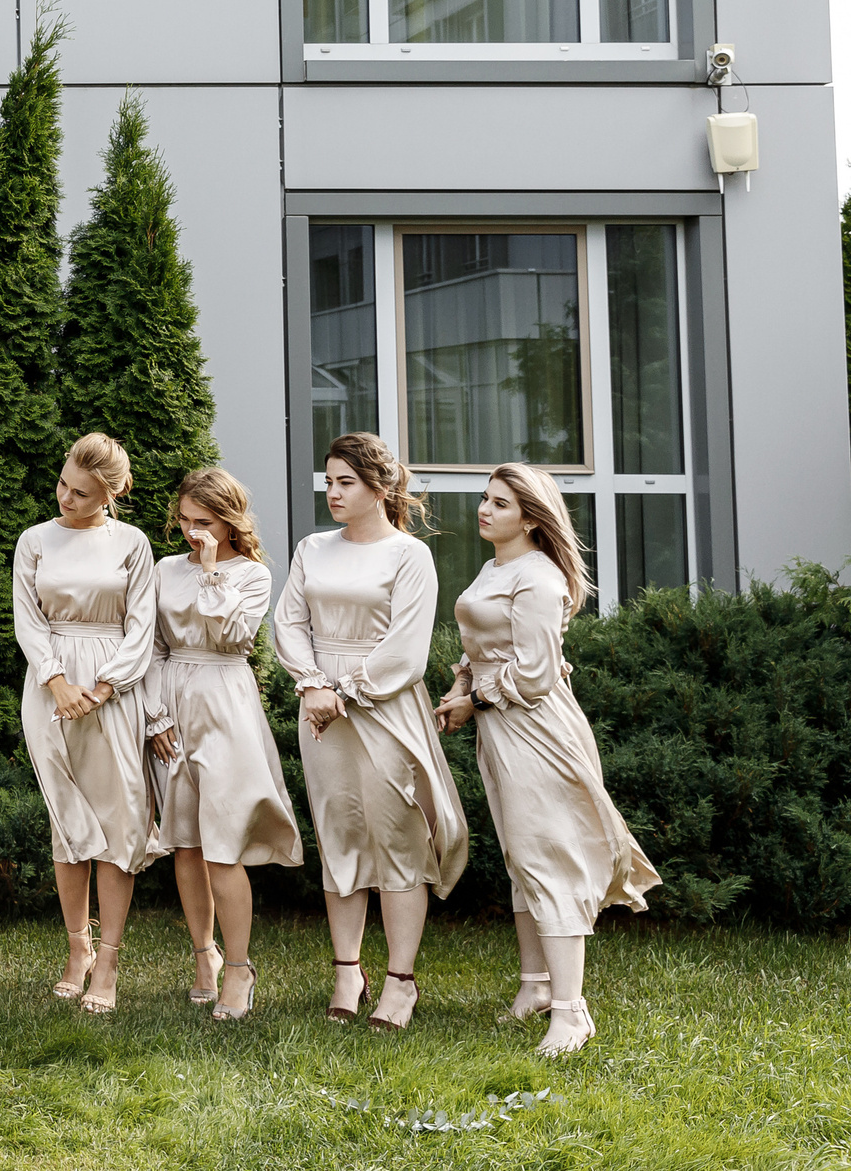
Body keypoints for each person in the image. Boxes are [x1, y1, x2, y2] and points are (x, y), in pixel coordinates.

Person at [434, 463, 660, 1058]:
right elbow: (480, 650)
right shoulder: (495, 566)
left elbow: (534, 676)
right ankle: (535, 986)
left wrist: (473, 699)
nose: (484, 509)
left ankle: (571, 1012)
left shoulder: (538, 578)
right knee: (521, 854)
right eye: (485, 499)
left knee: (548, 855)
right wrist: (462, 688)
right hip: (499, 727)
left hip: (536, 731)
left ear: (532, 518)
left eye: (500, 503)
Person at [272, 431, 466, 1031]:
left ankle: (400, 982)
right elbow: (289, 621)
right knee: (339, 836)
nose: (332, 493)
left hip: (384, 712)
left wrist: (345, 691)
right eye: (328, 482)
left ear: (380, 488)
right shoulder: (312, 548)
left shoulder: (409, 556)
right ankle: (346, 971)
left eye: (345, 482)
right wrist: (311, 684)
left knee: (396, 837)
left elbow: (406, 652)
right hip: (320, 713)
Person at [142, 467, 301, 1021]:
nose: (192, 533)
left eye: (204, 522)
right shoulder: (163, 570)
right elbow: (152, 646)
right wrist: (154, 715)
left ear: (230, 522)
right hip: (172, 698)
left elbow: (233, 637)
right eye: (184, 521)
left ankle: (239, 968)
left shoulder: (252, 575)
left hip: (225, 699)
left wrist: (211, 573)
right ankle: (203, 955)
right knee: (184, 840)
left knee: (223, 843)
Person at [11, 432, 160, 1015]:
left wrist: (102, 687)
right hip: (49, 687)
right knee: (66, 820)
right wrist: (55, 681)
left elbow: (142, 625)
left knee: (118, 821)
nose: (65, 498)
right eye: (63, 484)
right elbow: (28, 618)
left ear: (112, 493)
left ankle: (112, 959)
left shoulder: (132, 544)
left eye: (81, 493)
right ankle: (78, 949)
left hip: (113, 687)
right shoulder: (34, 540)